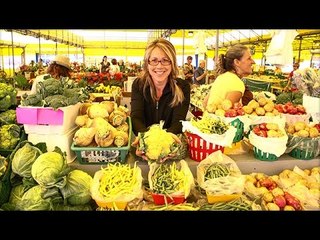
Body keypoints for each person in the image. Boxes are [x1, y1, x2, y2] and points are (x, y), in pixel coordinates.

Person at [130, 38, 190, 161]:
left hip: (170, 145)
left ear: (172, 63)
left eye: (165, 60)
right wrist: (145, 142)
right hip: (143, 145)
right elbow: (136, 117)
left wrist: (165, 145)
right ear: (147, 63)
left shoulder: (182, 86)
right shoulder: (139, 85)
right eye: (154, 61)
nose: (159, 66)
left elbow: (178, 121)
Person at [203, 44, 255, 109]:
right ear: (237, 62)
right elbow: (227, 113)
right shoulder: (236, 83)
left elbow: (205, 102)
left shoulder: (221, 77)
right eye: (249, 58)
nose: (253, 61)